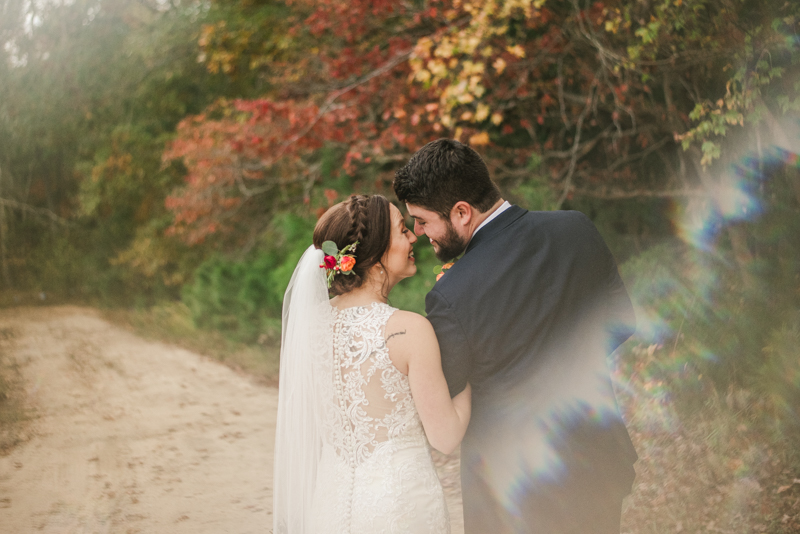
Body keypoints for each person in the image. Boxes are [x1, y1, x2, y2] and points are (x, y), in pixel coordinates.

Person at [393, 138, 638, 534]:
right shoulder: (576, 227)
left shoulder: (450, 294)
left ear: (461, 212)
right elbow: (620, 323)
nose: (419, 232)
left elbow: (451, 392)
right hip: (596, 456)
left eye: (422, 220)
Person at [273, 194, 472, 534]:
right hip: (401, 509)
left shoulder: (310, 327)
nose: (414, 237)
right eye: (402, 230)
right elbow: (447, 436)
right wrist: (472, 366)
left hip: (330, 508)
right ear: (377, 253)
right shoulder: (408, 329)